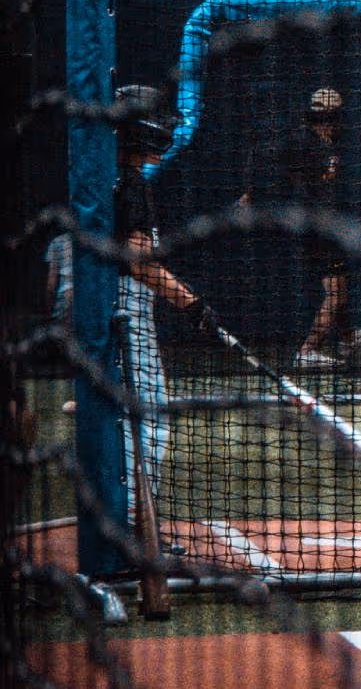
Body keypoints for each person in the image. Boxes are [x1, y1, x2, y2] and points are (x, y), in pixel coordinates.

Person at [112, 85, 217, 513]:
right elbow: (139, 263)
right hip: (126, 307)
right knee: (149, 414)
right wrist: (193, 305)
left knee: (121, 412)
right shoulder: (131, 184)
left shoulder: (109, 176)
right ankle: (136, 520)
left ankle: (122, 515)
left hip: (108, 305)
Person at [238, 87, 353, 369]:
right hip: (317, 227)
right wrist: (250, 195)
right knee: (336, 292)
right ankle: (308, 350)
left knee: (340, 288)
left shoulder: (326, 142)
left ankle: (347, 337)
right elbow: (264, 156)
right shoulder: (302, 140)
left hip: (325, 225)